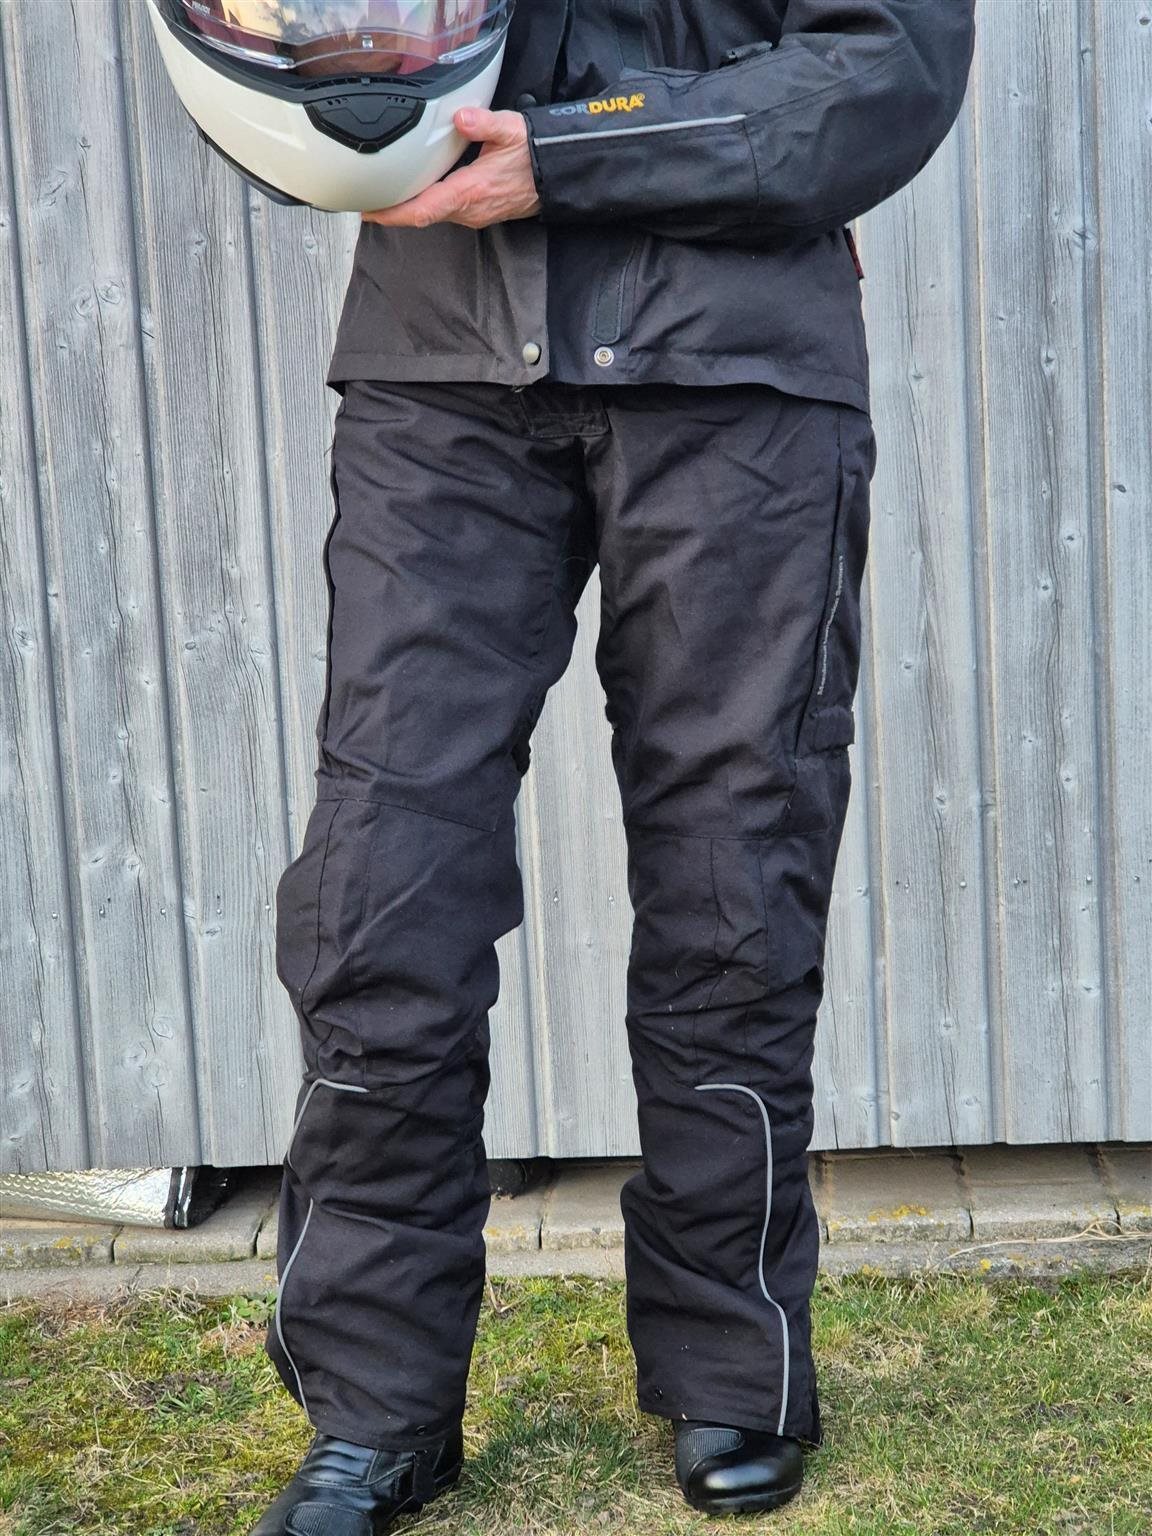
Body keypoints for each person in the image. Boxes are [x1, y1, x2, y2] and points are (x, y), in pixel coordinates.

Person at [253, 3, 976, 1531]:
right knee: (383, 889)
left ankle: (731, 1374)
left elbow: (887, 65)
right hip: (444, 368)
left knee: (736, 873)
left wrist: (576, 156)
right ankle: (377, 1411)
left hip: (735, 371)